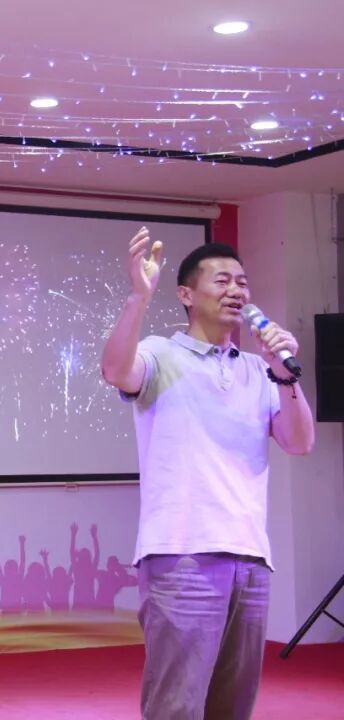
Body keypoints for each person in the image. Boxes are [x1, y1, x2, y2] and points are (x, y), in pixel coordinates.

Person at [100, 228, 315, 720]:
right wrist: (138, 296)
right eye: (222, 280)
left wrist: (284, 374)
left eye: (242, 282)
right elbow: (115, 370)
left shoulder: (260, 371)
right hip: (182, 555)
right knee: (176, 704)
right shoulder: (160, 352)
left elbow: (300, 442)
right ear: (186, 295)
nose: (236, 290)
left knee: (232, 706)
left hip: (250, 558)